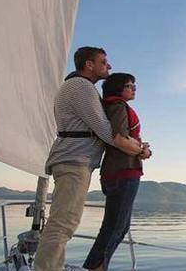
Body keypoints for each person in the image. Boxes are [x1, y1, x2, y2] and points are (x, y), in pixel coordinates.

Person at [34, 47, 145, 271]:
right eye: (104, 62)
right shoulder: (80, 86)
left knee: (64, 223)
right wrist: (141, 150)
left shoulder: (79, 86)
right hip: (74, 161)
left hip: (74, 161)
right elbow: (107, 132)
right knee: (63, 224)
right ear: (89, 65)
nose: (109, 66)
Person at [83, 73, 152, 271]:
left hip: (118, 172)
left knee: (117, 226)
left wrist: (138, 146)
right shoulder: (118, 107)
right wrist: (142, 151)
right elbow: (119, 139)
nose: (134, 88)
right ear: (118, 89)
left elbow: (121, 137)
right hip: (123, 171)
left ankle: (96, 266)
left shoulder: (114, 107)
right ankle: (95, 267)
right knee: (115, 227)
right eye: (130, 85)